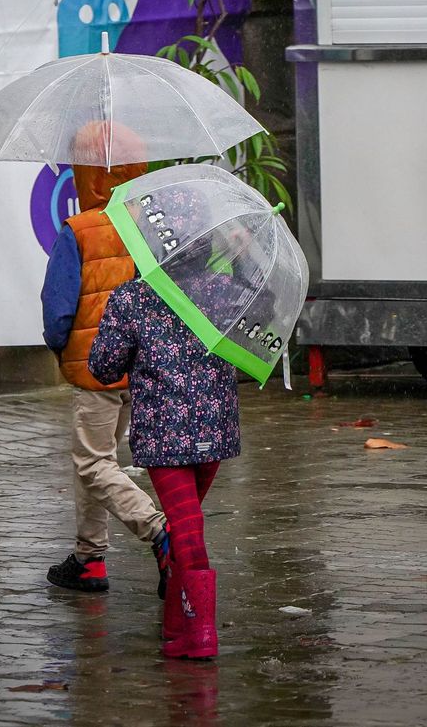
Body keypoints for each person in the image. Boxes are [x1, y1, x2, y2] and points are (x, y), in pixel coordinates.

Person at [39, 122, 170, 595]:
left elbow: (58, 308)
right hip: (140, 365)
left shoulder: (78, 230)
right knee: (96, 460)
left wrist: (60, 347)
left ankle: (158, 530)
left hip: (93, 368)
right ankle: (88, 558)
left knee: (94, 463)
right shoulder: (149, 227)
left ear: (86, 173)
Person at [88, 265, 241, 660]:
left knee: (186, 528)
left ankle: (201, 632)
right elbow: (261, 317)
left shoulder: (133, 297)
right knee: (182, 522)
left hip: (165, 434)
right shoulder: (225, 290)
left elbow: (104, 368)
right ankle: (176, 625)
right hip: (214, 430)